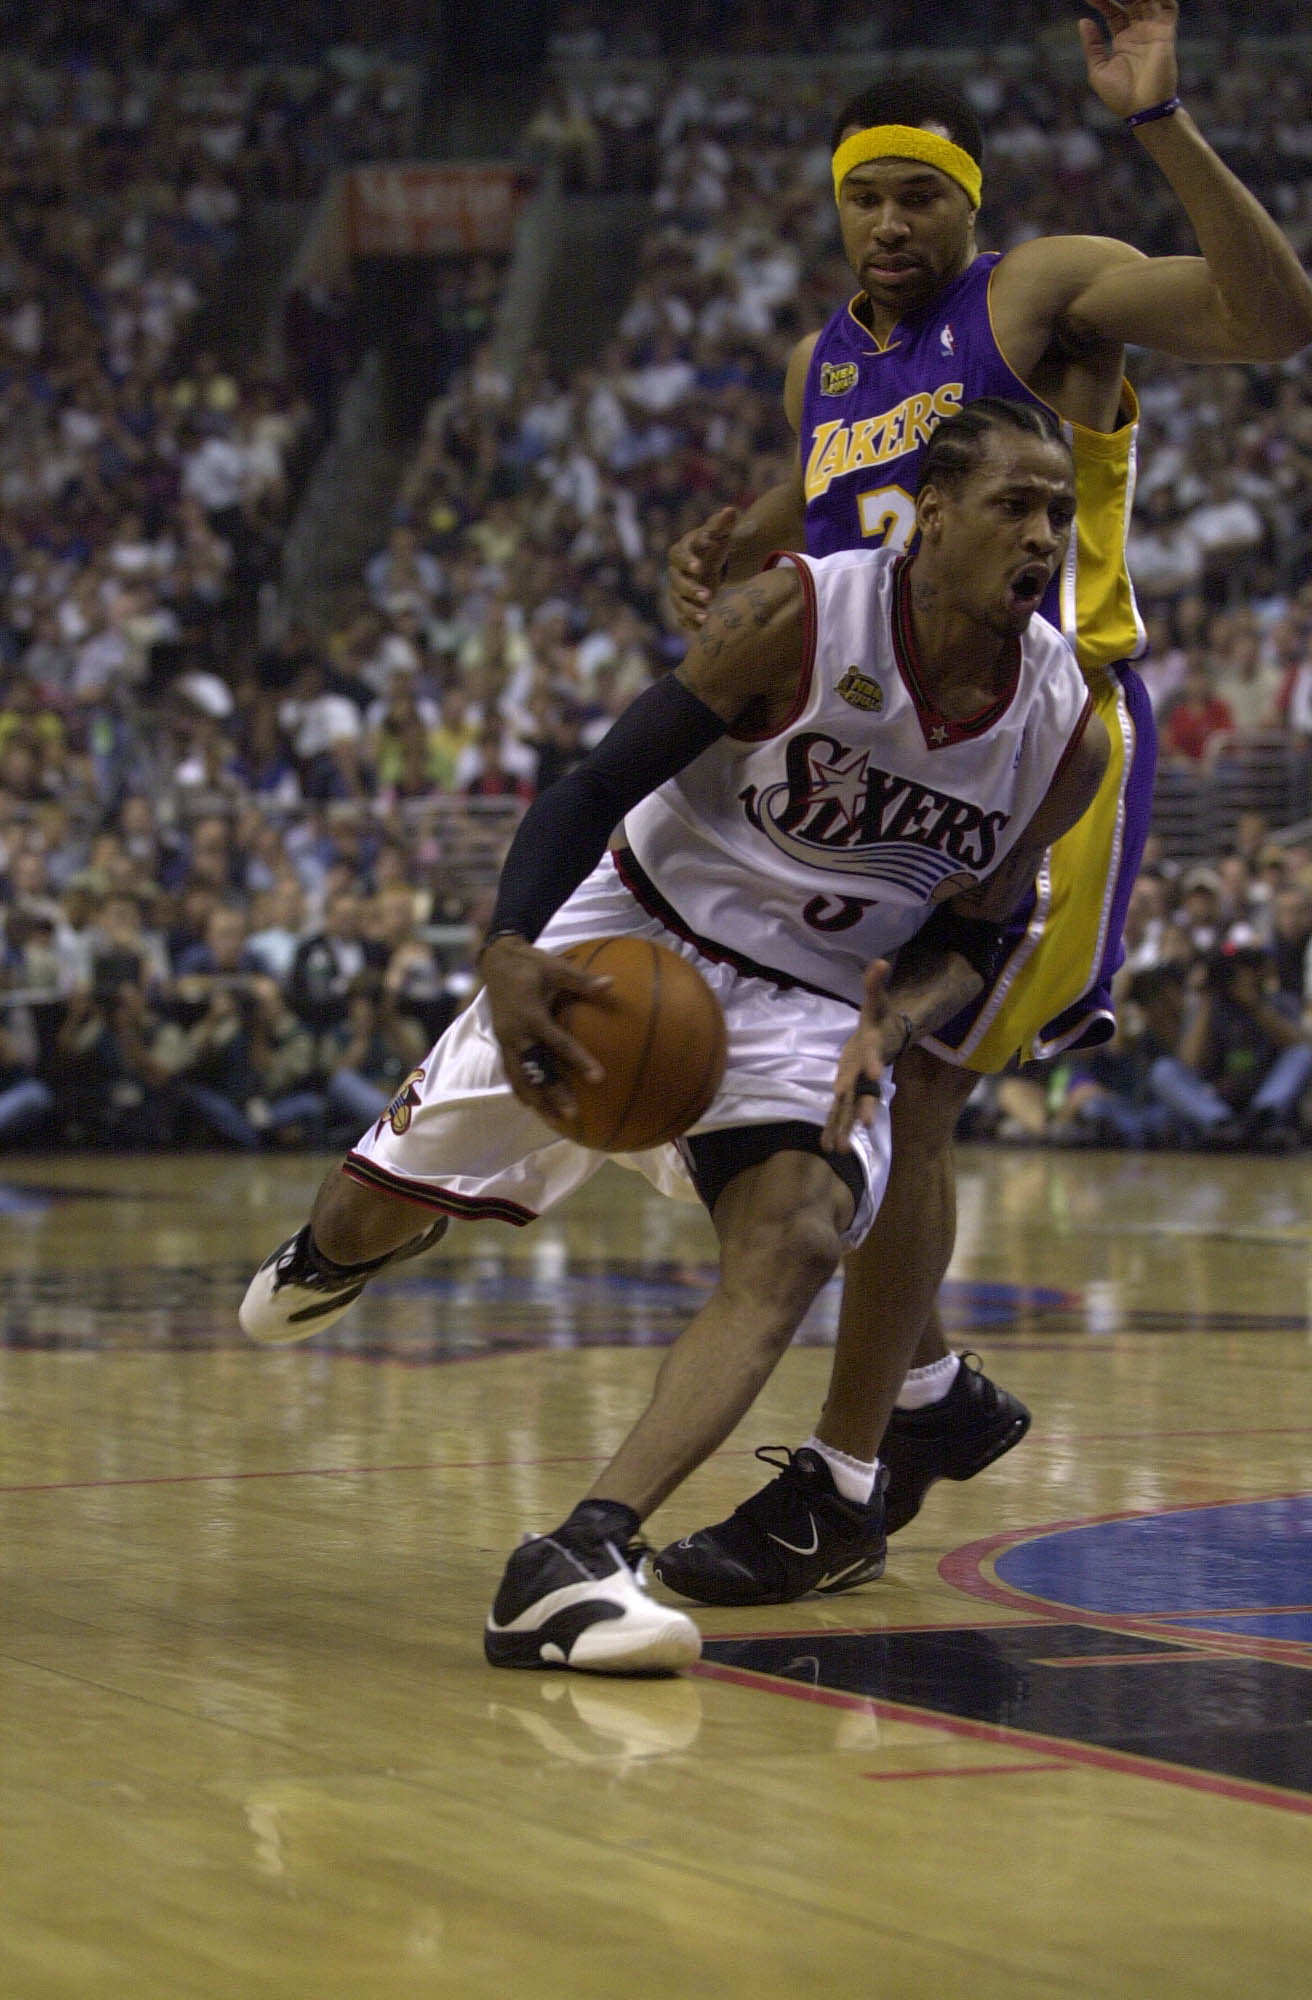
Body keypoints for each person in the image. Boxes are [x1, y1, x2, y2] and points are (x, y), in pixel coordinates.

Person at [238, 399, 1107, 1672]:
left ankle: (577, 1554)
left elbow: (980, 926)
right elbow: (588, 786)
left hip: (814, 997)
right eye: (1014, 506)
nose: (1042, 537)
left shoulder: (1065, 726)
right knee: (351, 1224)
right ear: (931, 510)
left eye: (1059, 515)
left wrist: (899, 1021)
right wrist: (508, 953)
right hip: (634, 935)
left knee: (800, 1229)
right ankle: (355, 1236)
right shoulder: (795, 615)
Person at [658, 0, 1312, 1600]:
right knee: (822, 1080)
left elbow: (1276, 317)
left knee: (914, 1091)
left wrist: (1158, 125)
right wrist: (750, 531)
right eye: (861, 200)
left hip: (1052, 734)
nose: (888, 224)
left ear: (969, 198)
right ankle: (936, 1396)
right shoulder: (830, 353)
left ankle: (844, 1479)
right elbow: (847, 492)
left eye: (917, 196)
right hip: (902, 751)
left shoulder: (1038, 292)